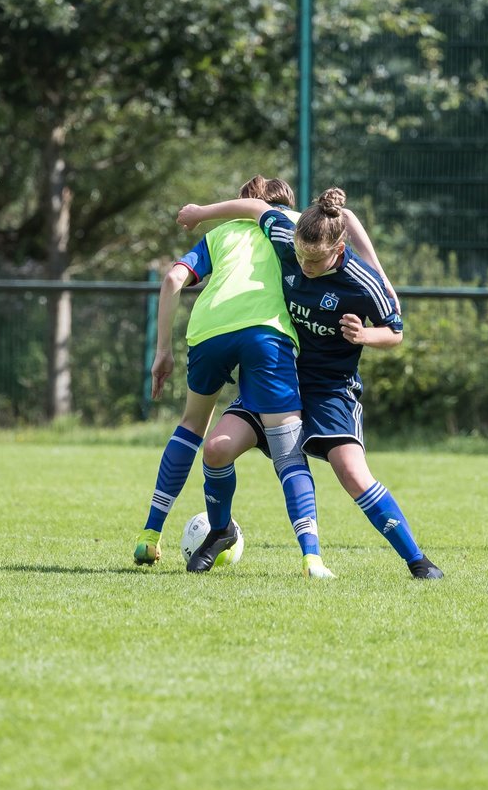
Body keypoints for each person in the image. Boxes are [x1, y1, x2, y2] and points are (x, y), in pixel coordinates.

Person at [177, 188, 444, 579]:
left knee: (351, 472)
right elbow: (256, 207)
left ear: (338, 250)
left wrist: (365, 336)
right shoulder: (290, 241)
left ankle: (417, 560)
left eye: (315, 259)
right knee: (216, 450)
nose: (304, 265)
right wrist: (201, 212)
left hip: (331, 388)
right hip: (278, 374)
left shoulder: (361, 282)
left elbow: (395, 333)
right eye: (300, 255)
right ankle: (220, 532)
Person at [136, 176, 337, 578]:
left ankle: (149, 534)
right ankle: (311, 558)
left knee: (192, 426)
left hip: (208, 330)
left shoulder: (222, 234)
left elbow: (174, 278)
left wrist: (162, 351)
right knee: (287, 450)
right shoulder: (301, 227)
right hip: (266, 333)